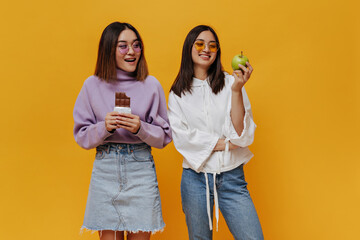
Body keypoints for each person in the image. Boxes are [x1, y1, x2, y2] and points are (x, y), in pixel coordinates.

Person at [73, 22, 172, 240]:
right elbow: (81, 136)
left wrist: (141, 128)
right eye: (123, 46)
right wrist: (104, 127)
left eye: (136, 46)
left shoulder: (151, 85)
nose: (132, 51)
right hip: (105, 168)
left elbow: (164, 136)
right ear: (109, 49)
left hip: (141, 169)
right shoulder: (91, 85)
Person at [167, 25, 264, 240]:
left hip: (232, 176)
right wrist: (228, 144)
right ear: (189, 49)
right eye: (200, 44)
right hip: (195, 179)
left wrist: (237, 90)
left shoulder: (232, 83)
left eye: (213, 45)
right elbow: (183, 139)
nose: (206, 49)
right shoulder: (177, 93)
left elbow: (242, 133)